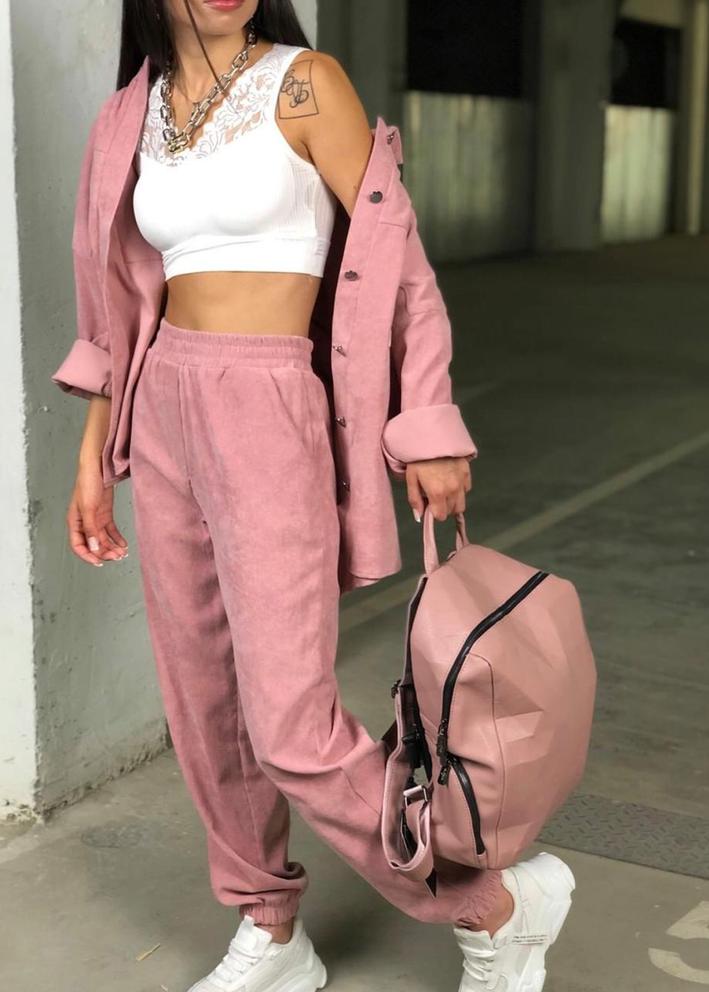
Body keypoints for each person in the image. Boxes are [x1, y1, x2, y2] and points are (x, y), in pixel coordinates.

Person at [53, 1, 576, 989]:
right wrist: (94, 452)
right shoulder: (132, 112)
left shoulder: (303, 83)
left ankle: (489, 901)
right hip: (161, 405)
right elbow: (115, 305)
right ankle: (269, 925)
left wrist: (426, 420)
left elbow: (399, 264)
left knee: (290, 723)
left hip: (268, 403)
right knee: (204, 702)